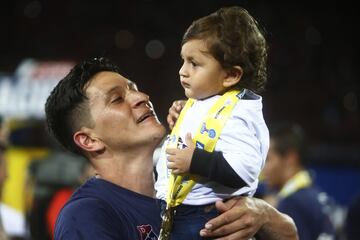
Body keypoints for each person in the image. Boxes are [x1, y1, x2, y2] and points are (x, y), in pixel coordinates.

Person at [45, 57, 298, 240]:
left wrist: (265, 216)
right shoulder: (87, 214)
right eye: (118, 99)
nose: (141, 96)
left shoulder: (191, 186)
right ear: (89, 140)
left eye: (133, 88)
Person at [155, 6, 269, 239]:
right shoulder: (209, 101)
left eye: (194, 63)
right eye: (183, 61)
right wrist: (183, 115)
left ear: (230, 75)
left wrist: (195, 160)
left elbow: (245, 170)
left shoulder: (238, 114)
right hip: (182, 211)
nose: (182, 71)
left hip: (203, 217)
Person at [262, 121, 336, 240]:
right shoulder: (315, 195)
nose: (263, 168)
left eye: (268, 159)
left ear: (290, 159)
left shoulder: (291, 203)